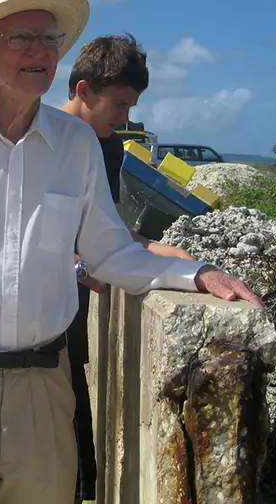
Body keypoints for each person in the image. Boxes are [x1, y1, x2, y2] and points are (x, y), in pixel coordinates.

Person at [0, 0, 264, 504]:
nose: (40, 51)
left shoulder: (76, 142)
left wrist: (195, 273)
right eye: (20, 38)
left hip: (43, 383)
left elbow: (108, 252)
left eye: (49, 40)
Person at [60, 33, 195, 504]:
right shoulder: (38, 138)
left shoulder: (110, 148)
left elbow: (111, 230)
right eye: (118, 105)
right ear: (82, 91)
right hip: (35, 312)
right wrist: (78, 266)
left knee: (75, 426)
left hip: (72, 311)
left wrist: (162, 251)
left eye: (130, 107)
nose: (125, 118)